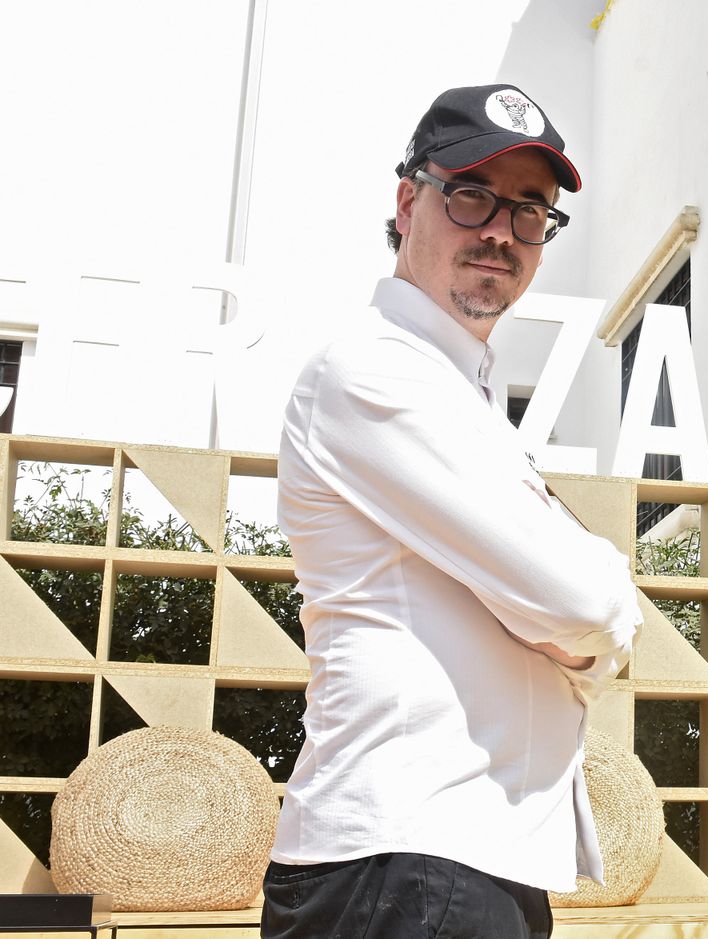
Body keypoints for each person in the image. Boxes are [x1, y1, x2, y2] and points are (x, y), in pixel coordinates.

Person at [261, 84, 641, 939]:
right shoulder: (372, 371)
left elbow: (551, 605)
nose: (500, 230)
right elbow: (581, 601)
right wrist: (605, 603)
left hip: (457, 866)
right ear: (407, 201)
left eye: (531, 211)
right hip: (403, 870)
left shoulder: (456, 393)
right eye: (471, 194)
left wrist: (565, 618)